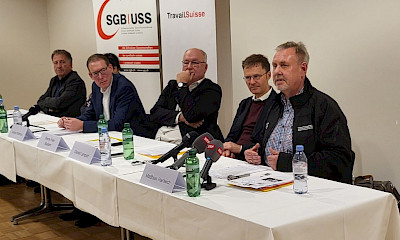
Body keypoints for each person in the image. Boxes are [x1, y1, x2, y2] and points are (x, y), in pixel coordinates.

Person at [244, 41, 355, 184]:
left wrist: (289, 162)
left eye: (284, 65)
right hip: (269, 184)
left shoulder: (324, 106)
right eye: (275, 65)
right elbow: (257, 142)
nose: (277, 72)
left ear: (303, 69)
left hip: (310, 189)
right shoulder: (272, 105)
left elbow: (339, 160)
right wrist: (253, 153)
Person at [58, 53, 150, 137]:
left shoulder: (124, 87)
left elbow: (117, 124)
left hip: (132, 137)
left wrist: (83, 125)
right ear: (90, 76)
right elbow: (90, 113)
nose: (101, 77)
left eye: (103, 70)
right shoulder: (96, 86)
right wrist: (70, 122)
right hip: (108, 135)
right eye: (96, 74)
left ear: (110, 68)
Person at [150, 48, 224, 144]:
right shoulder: (172, 85)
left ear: (205, 68)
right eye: (186, 63)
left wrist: (182, 85)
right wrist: (180, 117)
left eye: (194, 63)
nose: (189, 67)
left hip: (189, 142)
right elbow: (155, 113)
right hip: (160, 137)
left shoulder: (212, 89)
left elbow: (191, 116)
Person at [223, 54, 277, 160]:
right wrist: (227, 150)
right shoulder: (244, 103)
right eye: (248, 77)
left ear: (268, 75)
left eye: (256, 76)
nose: (251, 82)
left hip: (256, 160)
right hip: (234, 159)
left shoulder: (278, 103)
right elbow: (231, 136)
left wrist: (240, 149)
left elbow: (267, 143)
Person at [36, 50, 86, 117]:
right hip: (53, 119)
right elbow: (40, 101)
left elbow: (59, 103)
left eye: (62, 62)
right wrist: (49, 109)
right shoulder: (54, 80)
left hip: (70, 122)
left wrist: (47, 101)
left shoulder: (75, 81)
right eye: (56, 63)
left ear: (71, 64)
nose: (59, 66)